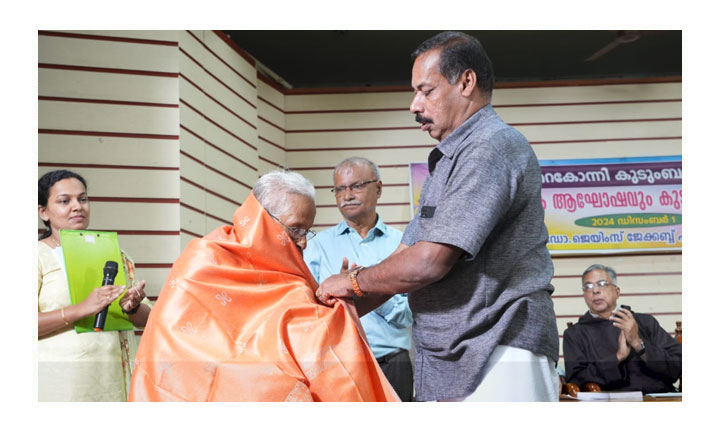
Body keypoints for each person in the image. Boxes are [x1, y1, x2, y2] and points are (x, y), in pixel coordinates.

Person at [315, 31, 559, 402]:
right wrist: (336, 311)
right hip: (456, 357)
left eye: (426, 91)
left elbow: (430, 261)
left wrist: (352, 282)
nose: (414, 105)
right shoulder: (451, 161)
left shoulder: (490, 146)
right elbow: (406, 256)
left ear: (466, 82)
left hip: (498, 351)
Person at [129, 170, 398, 402]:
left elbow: (307, 335)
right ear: (262, 219)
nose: (303, 243)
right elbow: (173, 339)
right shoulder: (203, 260)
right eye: (296, 230)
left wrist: (340, 306)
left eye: (308, 231)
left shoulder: (292, 272)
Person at [304, 157, 414, 401]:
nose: (347, 195)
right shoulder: (318, 246)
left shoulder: (403, 244)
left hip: (392, 363)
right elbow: (308, 312)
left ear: (378, 188)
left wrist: (363, 287)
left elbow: (411, 313)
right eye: (340, 189)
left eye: (356, 186)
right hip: (339, 365)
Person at [38, 169, 151, 401]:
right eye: (64, 201)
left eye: (83, 199)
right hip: (61, 386)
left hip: (114, 383)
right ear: (43, 212)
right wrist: (82, 309)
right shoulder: (36, 255)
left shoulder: (116, 254)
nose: (77, 206)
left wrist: (132, 307)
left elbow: (147, 320)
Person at [563, 264, 682, 393]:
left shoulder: (645, 322)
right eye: (588, 287)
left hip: (660, 397)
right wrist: (617, 357)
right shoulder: (575, 334)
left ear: (617, 292)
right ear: (584, 295)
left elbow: (678, 365)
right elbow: (577, 378)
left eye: (602, 284)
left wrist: (638, 344)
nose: (595, 291)